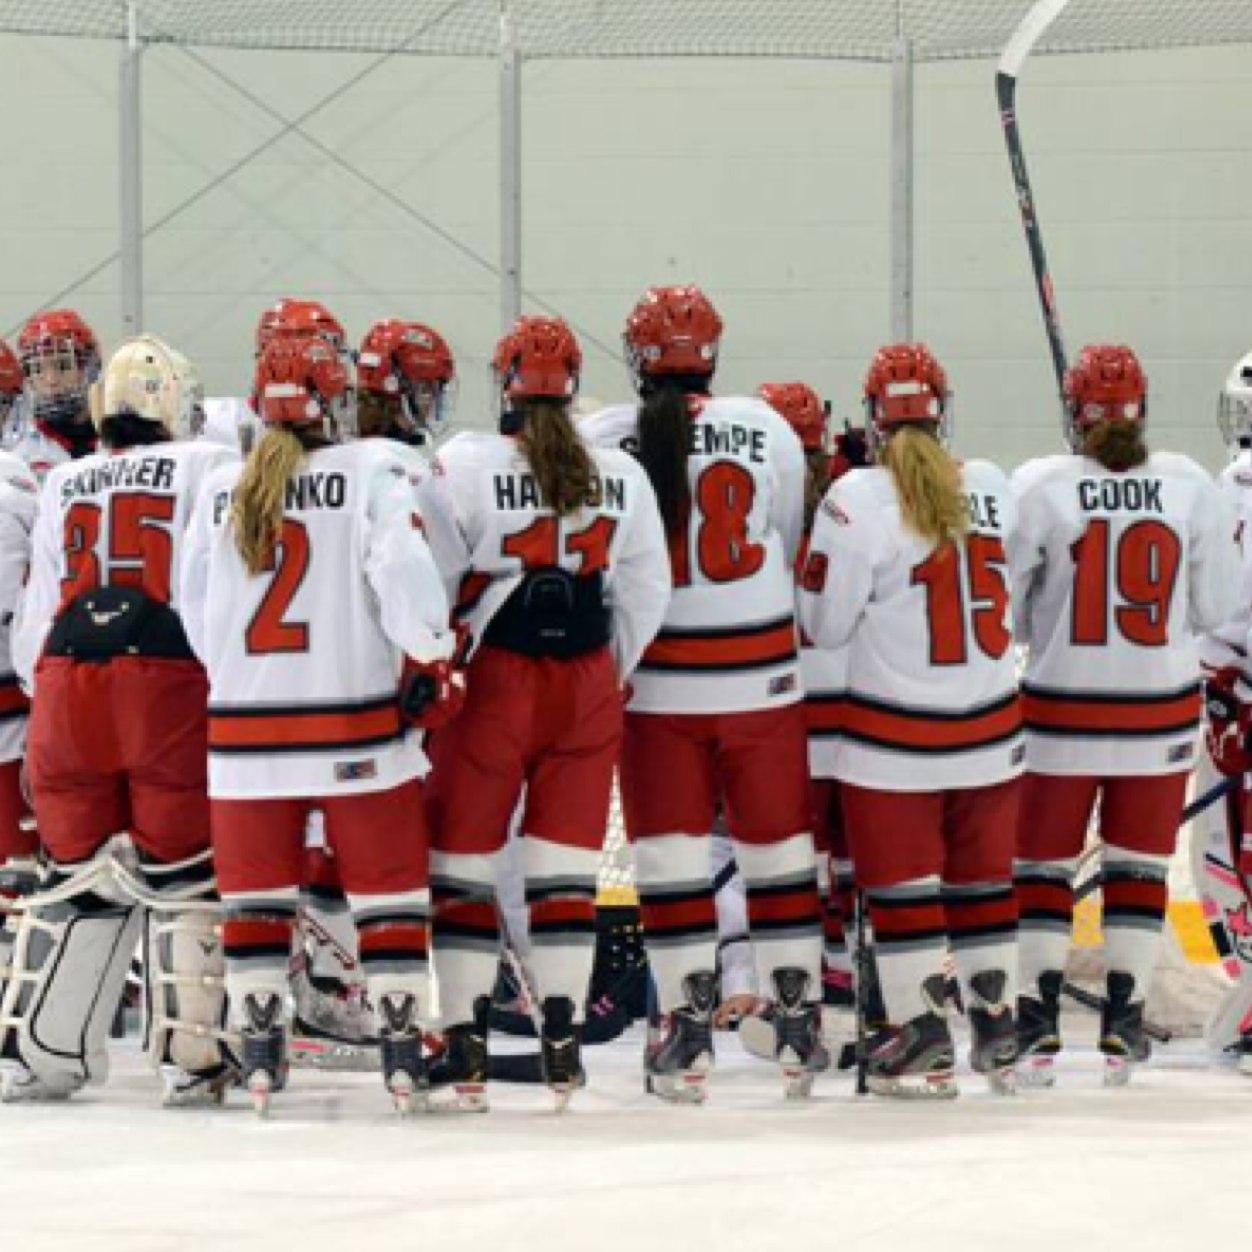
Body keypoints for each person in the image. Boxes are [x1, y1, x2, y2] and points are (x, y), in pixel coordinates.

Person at [180, 332, 456, 1115]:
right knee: (388, 897)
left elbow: (195, 608)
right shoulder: (372, 467)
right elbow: (403, 575)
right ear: (332, 403)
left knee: (256, 902)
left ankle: (262, 1050)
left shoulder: (220, 484)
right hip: (353, 730)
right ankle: (402, 1047)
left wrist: (241, 679)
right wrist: (431, 650)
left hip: (242, 739)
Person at [416, 314, 670, 1110]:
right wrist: (607, 670)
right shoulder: (620, 474)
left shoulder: (461, 461)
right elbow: (646, 590)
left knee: (462, 868)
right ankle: (561, 1039)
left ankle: (463, 1040)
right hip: (588, 680)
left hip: (497, 681)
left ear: (505, 384)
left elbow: (431, 579)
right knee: (564, 875)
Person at [581, 286, 826, 1102]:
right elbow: (786, 540)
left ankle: (683, 1034)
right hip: (761, 680)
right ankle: (798, 1021)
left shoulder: (604, 437)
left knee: (671, 863)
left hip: (656, 689)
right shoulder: (765, 427)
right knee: (780, 856)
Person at [1, 335, 237, 1105]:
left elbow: (32, 627)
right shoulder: (207, 465)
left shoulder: (64, 480)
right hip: (167, 679)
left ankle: (36, 1052)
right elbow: (214, 593)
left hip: (66, 683)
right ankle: (190, 1057)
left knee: (70, 877)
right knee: (184, 874)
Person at [798, 342, 1021, 1099]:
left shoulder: (857, 497)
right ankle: (998, 1023)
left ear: (871, 418)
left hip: (893, 737)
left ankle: (922, 1036)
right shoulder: (992, 482)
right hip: (993, 730)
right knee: (983, 883)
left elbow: (823, 626)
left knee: (902, 890)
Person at [1012, 343, 1238, 1086]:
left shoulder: (1040, 485)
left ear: (1075, 413)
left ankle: (1039, 1024)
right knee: (1138, 869)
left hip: (1060, 711)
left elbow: (1009, 614)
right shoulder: (1188, 485)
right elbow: (1212, 607)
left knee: (1042, 869)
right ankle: (1123, 1022)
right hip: (1159, 714)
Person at [13, 309, 101, 480]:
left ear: (88, 368)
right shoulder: (20, 454)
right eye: (37, 369)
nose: (51, 380)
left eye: (62, 365)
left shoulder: (126, 441)